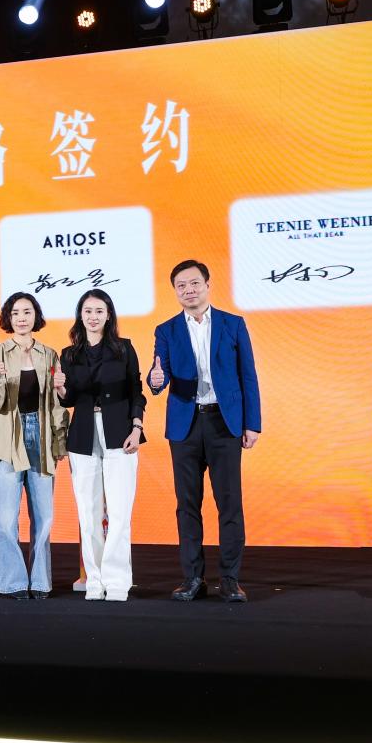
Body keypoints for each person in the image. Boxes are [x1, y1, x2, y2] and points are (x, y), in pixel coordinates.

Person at [148, 259, 261, 604]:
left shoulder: (232, 324)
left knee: (229, 503)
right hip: (185, 425)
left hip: (224, 423)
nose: (188, 290)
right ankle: (193, 578)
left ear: (208, 285)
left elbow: (248, 375)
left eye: (194, 283)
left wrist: (252, 423)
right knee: (187, 504)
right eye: (181, 286)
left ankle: (229, 579)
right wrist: (155, 381)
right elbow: (159, 374)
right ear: (175, 291)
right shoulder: (166, 330)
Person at [0, 292, 69, 600]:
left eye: (27, 312)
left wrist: (60, 441)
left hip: (40, 437)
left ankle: (39, 582)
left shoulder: (49, 355)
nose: (22, 318)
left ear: (35, 316)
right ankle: (14, 582)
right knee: (6, 519)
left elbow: (56, 403)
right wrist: (0, 380)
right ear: (8, 318)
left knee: (44, 517)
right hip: (5, 439)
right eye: (15, 313)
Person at [55, 289, 146, 602]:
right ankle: (94, 580)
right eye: (88, 311)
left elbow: (136, 391)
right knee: (88, 512)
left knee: (120, 511)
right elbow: (68, 399)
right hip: (83, 435)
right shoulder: (69, 354)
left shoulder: (124, 348)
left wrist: (137, 427)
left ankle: (117, 581)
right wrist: (60, 389)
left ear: (109, 315)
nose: (93, 316)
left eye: (99, 311)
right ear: (80, 315)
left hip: (120, 433)